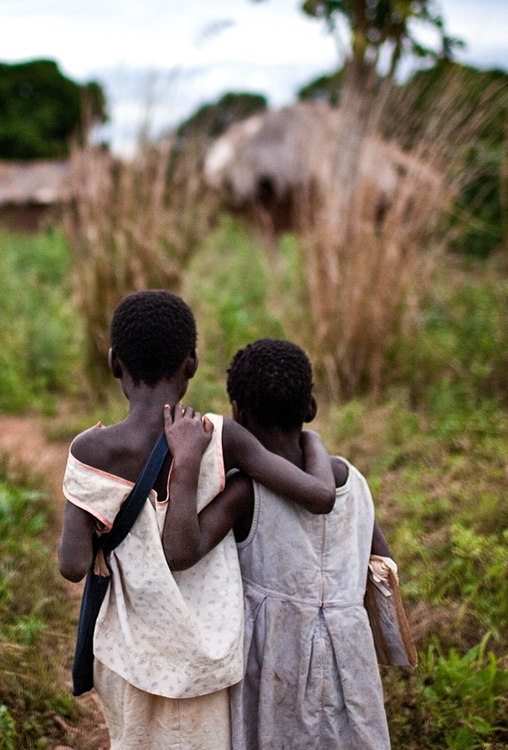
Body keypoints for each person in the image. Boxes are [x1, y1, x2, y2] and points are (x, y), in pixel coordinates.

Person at [57, 292, 338, 750]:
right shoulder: (222, 437)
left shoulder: (93, 450)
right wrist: (316, 441)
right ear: (192, 363)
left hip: (130, 657)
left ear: (114, 363)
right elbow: (320, 496)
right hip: (208, 660)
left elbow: (72, 564)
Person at [161, 338, 393, 750]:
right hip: (350, 661)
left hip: (274, 665)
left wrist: (186, 462)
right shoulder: (351, 481)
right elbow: (383, 567)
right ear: (310, 408)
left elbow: (181, 551)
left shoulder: (245, 492)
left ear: (238, 413)